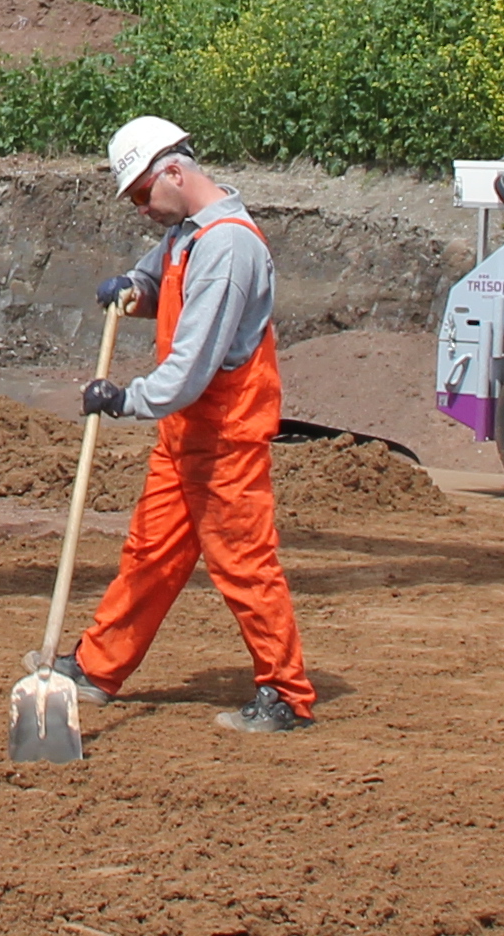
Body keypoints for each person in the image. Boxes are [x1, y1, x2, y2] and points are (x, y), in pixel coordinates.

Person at [60, 114, 314, 735]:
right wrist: (133, 289)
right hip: (184, 434)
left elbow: (194, 365)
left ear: (175, 171)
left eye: (145, 194)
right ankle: (96, 668)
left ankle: (285, 694)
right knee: (149, 553)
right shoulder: (186, 234)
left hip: (224, 435)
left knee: (243, 563)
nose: (143, 209)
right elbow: (157, 279)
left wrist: (124, 400)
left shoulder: (229, 245)